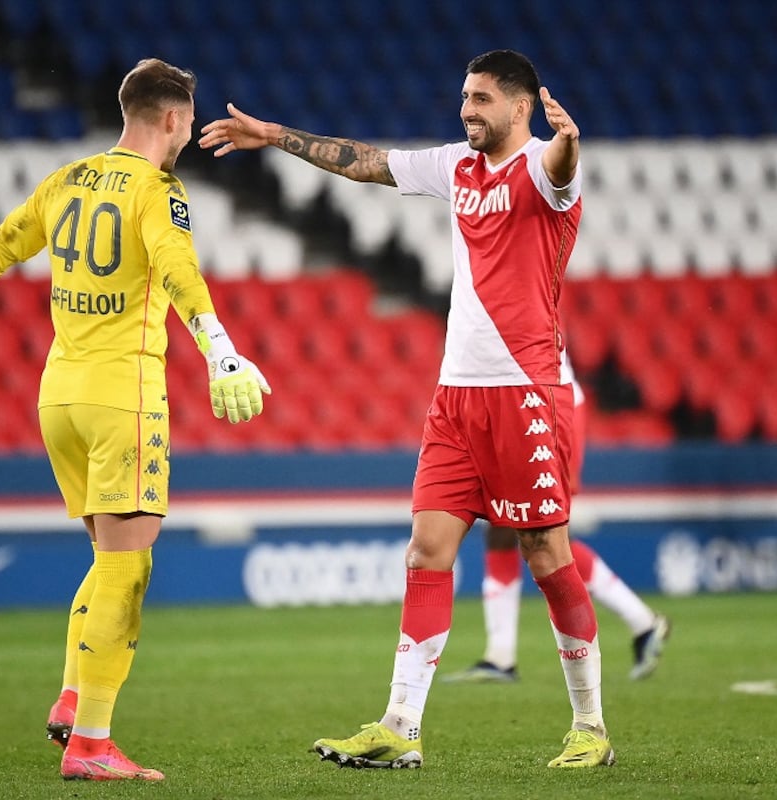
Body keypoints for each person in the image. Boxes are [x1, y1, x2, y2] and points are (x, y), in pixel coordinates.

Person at [202, 49, 614, 769]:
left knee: (546, 553)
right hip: (455, 397)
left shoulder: (542, 170)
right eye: (465, 96)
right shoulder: (456, 166)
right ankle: (400, 725)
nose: (466, 108)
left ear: (520, 107)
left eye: (481, 98)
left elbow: (560, 169)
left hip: (524, 392)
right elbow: (367, 162)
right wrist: (274, 136)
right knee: (426, 550)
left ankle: (590, 726)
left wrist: (569, 142)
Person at [0, 58, 271, 782]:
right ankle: (93, 744)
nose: (189, 134)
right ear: (172, 118)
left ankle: (74, 698)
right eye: (189, 122)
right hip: (123, 396)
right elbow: (177, 269)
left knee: (108, 563)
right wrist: (221, 353)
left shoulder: (66, 180)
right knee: (129, 572)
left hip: (60, 397)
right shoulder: (157, 191)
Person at [445, 351, 670, 684]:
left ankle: (642, 622)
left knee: (543, 532)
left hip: (548, 404)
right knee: (503, 526)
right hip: (515, 402)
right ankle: (500, 656)